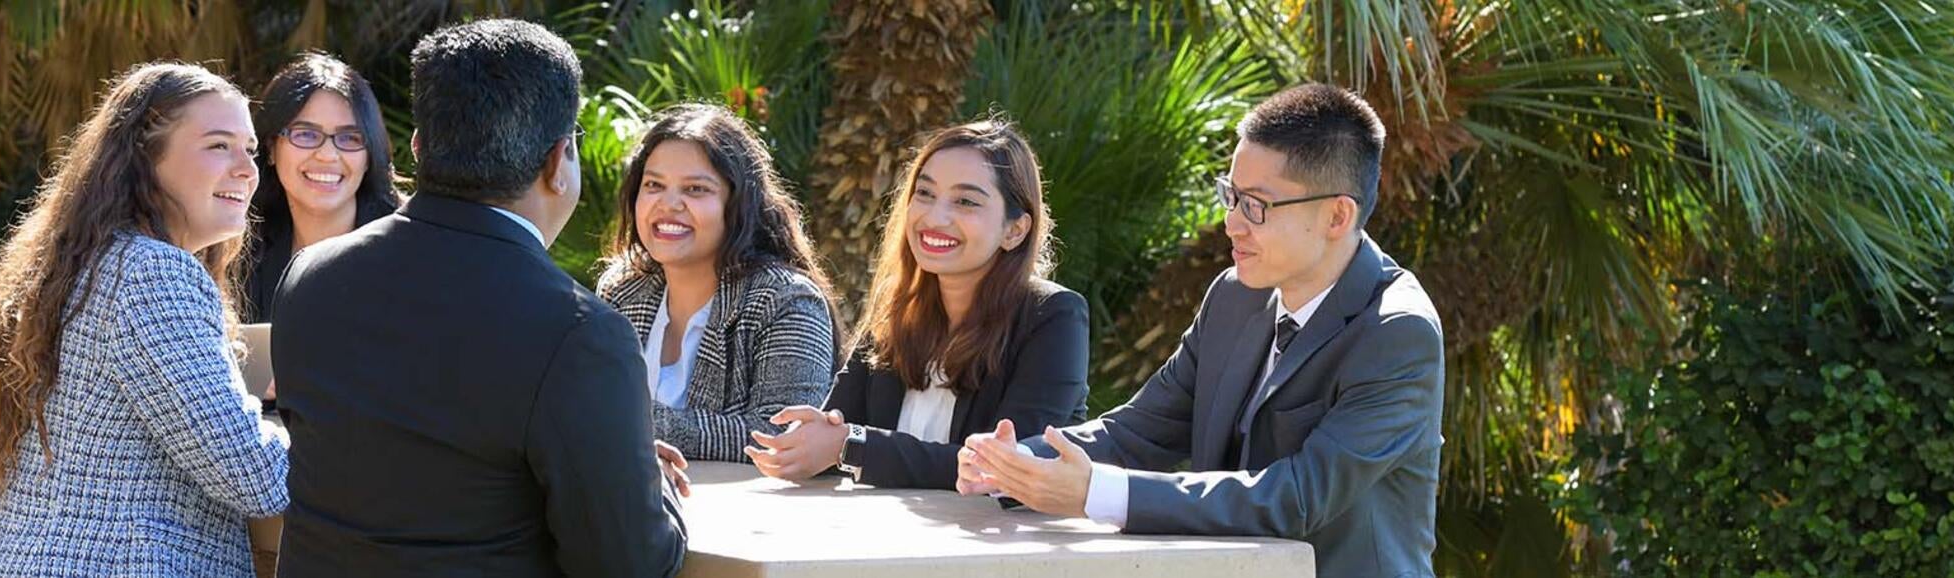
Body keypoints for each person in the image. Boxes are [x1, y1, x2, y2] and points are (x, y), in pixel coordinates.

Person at [958, 84, 1445, 578]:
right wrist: (1017, 462)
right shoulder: (1234, 294)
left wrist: (1094, 493)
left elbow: (1295, 499)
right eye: (1231, 195)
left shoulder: (1398, 333)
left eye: (1256, 205)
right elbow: (1140, 429)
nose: (1231, 223)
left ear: (1337, 215)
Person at [270, 19, 688, 577]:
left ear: (418, 149)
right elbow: (628, 562)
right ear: (557, 161)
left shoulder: (310, 280)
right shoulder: (578, 331)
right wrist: (650, 486)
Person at [0, 62, 287, 577]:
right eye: (219, 145)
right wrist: (315, 433)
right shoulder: (152, 273)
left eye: (250, 149)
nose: (246, 168)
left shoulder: (84, 263)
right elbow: (252, 475)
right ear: (144, 159)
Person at [745, 119, 1089, 490]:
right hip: (885, 535)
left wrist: (852, 445)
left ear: (1015, 230)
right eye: (924, 194)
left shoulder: (1053, 315)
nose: (934, 217)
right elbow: (839, 434)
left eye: (965, 201)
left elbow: (1008, 467)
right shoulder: (896, 309)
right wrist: (810, 441)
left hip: (999, 542)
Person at [594, 103, 838, 463]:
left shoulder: (787, 300)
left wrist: (626, 421)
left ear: (738, 204)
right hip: (631, 509)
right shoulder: (621, 290)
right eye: (654, 185)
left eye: (695, 189)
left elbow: (782, 437)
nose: (669, 204)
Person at [241, 52, 403, 324]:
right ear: (270, 148)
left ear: (369, 156)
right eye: (306, 134)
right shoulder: (241, 254)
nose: (328, 155)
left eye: (350, 138)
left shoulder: (409, 250)